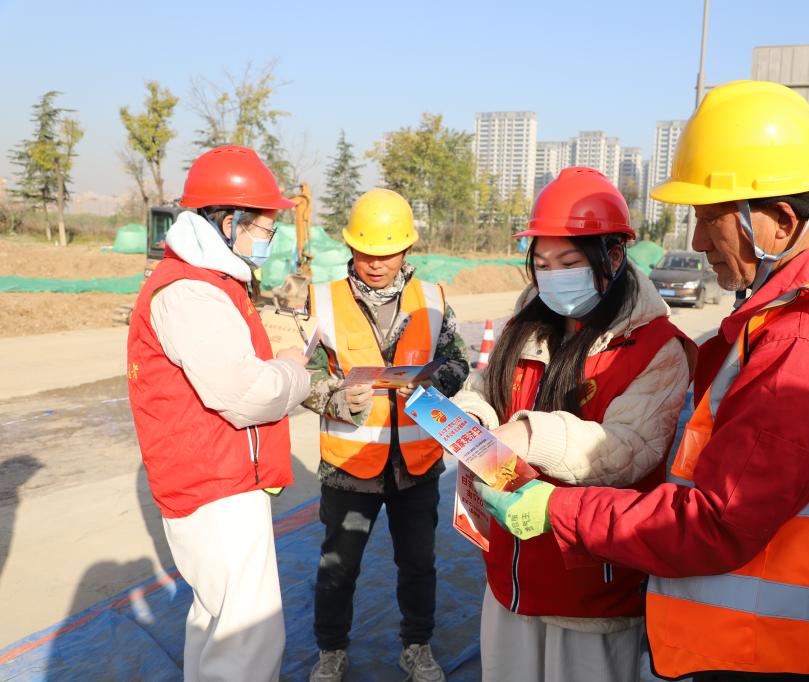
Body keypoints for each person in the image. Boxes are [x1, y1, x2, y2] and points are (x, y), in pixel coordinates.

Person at [476, 82, 809, 682]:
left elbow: (714, 520)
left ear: (780, 222)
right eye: (544, 262)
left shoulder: (802, 346)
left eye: (708, 219)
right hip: (799, 636)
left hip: (780, 651)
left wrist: (555, 506)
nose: (695, 243)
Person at [455, 167, 695, 682]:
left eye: (568, 263)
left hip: (592, 588)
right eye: (542, 264)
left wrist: (531, 435)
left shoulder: (655, 348)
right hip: (512, 575)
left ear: (614, 256)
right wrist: (469, 421)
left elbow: (631, 448)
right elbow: (485, 388)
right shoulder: (527, 324)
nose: (552, 277)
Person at [127, 144, 312, 681]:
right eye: (265, 228)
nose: (268, 239)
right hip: (216, 487)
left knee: (217, 621)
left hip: (213, 480)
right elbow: (246, 393)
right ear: (228, 221)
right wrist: (294, 368)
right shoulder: (192, 292)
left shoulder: (207, 282)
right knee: (246, 638)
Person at [304, 188, 470, 682]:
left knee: (418, 564)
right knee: (338, 567)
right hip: (350, 466)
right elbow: (304, 375)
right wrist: (336, 399)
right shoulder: (323, 300)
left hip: (416, 466)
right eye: (365, 252)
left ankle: (417, 646)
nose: (376, 263)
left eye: (388, 252)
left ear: (407, 249)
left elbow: (457, 362)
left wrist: (434, 383)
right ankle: (331, 652)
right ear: (351, 246)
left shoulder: (434, 299)